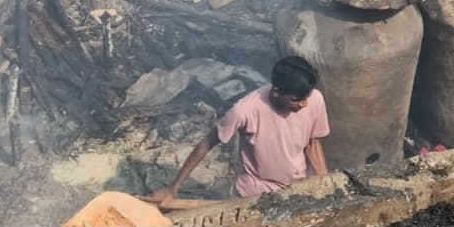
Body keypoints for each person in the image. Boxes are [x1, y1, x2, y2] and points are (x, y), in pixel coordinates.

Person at [141, 56, 330, 204]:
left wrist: (326, 183)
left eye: (306, 97)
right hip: (255, 192)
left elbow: (312, 143)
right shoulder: (244, 111)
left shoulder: (314, 99)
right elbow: (206, 144)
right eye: (296, 100)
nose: (304, 104)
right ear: (276, 92)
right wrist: (173, 189)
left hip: (296, 188)